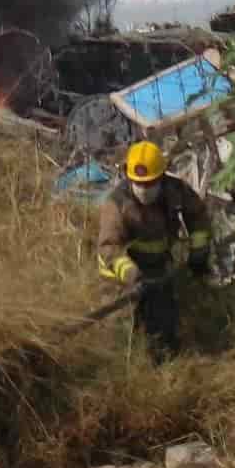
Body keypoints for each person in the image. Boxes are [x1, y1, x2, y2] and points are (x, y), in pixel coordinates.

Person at [96, 140, 212, 359]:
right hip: (120, 279)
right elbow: (109, 248)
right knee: (122, 337)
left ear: (162, 177)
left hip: (158, 270)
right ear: (128, 177)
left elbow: (198, 217)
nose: (144, 189)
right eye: (138, 183)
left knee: (163, 328)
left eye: (150, 183)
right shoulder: (117, 205)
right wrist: (132, 275)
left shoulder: (175, 191)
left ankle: (166, 363)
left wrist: (199, 253)